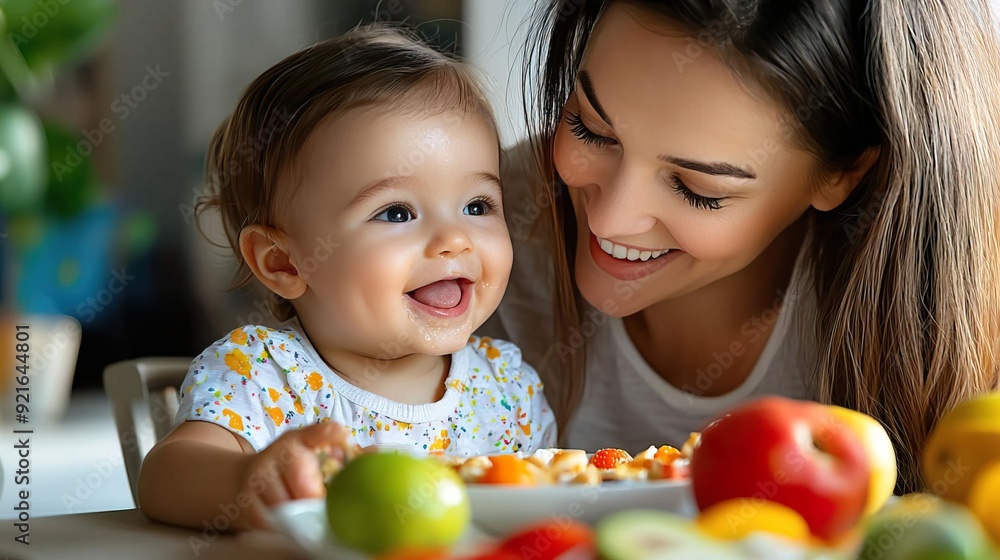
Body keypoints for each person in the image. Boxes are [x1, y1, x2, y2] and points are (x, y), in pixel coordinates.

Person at [483, 0, 1000, 494]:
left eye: (698, 189)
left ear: (844, 172)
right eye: (591, 129)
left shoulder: (962, 323)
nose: (608, 218)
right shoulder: (464, 226)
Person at [138, 25, 557, 530]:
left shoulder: (507, 388)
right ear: (283, 263)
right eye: (397, 213)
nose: (455, 239)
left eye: (477, 205)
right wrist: (245, 480)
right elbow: (164, 477)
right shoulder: (264, 375)